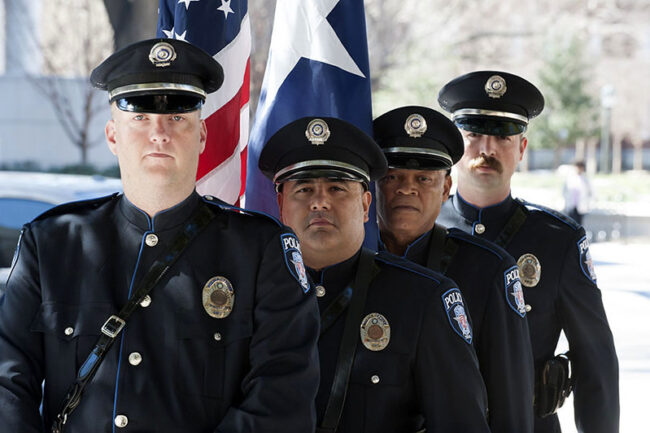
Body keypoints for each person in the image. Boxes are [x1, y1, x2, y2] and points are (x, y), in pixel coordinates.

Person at [0, 38, 320, 433]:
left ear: (201, 135)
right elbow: (7, 384)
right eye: (139, 117)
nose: (159, 133)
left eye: (176, 118)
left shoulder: (260, 252)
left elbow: (283, 398)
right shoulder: (51, 244)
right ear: (113, 136)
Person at [258, 116, 490, 433]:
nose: (320, 201)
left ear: (366, 204)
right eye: (304, 189)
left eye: (337, 187)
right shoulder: (252, 290)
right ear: (281, 204)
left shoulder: (423, 299)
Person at [437, 70, 619, 433]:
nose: (487, 149)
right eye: (473, 133)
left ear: (521, 148)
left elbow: (594, 360)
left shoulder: (557, 240)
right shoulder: (421, 230)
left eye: (503, 136)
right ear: (456, 146)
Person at [373, 105, 535, 433]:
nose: (407, 188)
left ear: (446, 188)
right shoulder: (348, 261)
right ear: (372, 186)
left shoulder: (488, 269)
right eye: (392, 177)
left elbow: (509, 400)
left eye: (423, 178)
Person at [563, 160, 592, 225]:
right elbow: (565, 192)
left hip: (581, 206)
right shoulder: (570, 178)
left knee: (579, 224)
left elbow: (590, 193)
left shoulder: (585, 179)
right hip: (571, 205)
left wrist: (588, 204)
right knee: (570, 223)